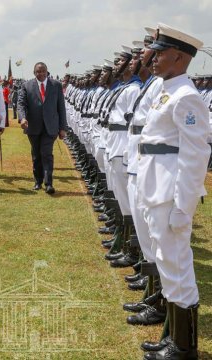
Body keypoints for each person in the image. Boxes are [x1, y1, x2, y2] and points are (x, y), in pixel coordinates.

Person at [136, 23, 210, 360]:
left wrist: (184, 206)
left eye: (160, 52)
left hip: (170, 194)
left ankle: (184, 347)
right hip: (155, 189)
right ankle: (174, 337)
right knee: (167, 262)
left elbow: (195, 158)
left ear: (178, 57)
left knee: (178, 267)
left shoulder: (186, 96)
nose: (153, 58)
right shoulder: (167, 91)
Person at [17, 62, 67, 194]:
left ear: (47, 71)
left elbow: (61, 108)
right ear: (34, 73)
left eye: (43, 71)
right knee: (36, 154)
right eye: (38, 72)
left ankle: (48, 183)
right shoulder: (26, 86)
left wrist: (63, 128)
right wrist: (22, 118)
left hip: (50, 127)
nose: (41, 74)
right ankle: (38, 181)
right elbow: (21, 104)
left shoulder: (56, 85)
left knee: (46, 153)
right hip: (33, 126)